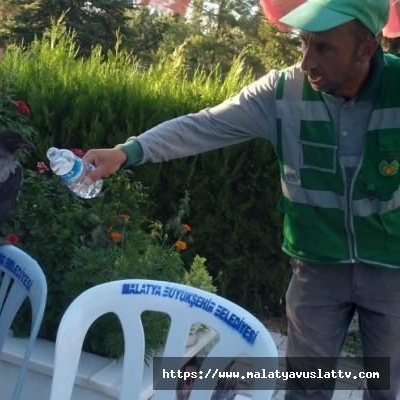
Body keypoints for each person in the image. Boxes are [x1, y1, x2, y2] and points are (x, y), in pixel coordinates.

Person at [82, 1, 400, 399]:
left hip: (392, 268)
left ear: (367, 49)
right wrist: (129, 151)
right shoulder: (282, 91)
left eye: (324, 49)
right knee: (306, 389)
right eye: (304, 44)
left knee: (388, 388)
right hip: (317, 266)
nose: (306, 61)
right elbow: (206, 124)